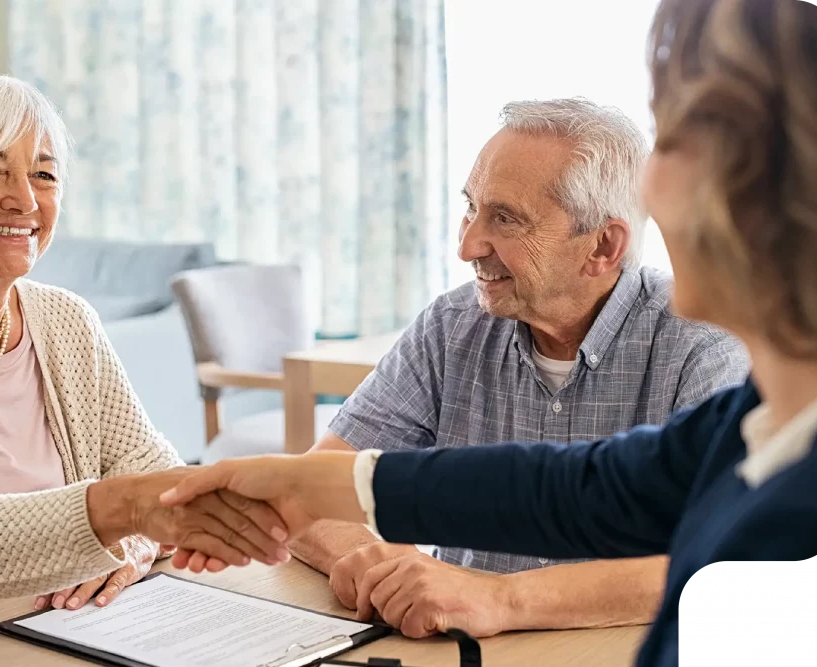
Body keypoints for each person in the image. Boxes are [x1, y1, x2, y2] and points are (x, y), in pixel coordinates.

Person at [157, 0, 817, 667]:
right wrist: (309, 489)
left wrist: (499, 597)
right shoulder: (755, 422)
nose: (466, 246)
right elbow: (571, 489)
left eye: (677, 138)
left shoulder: (801, 488)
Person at [0, 70, 291, 642]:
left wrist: (127, 547)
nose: (24, 200)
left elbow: (156, 480)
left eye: (43, 174)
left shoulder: (67, 321)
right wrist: (124, 512)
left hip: (64, 632)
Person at [267, 99, 749, 638]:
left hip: (621, 658)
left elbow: (718, 550)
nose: (467, 245)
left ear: (603, 246)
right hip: (455, 652)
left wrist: (502, 599)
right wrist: (376, 563)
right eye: (470, 207)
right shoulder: (451, 325)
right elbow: (312, 490)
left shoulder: (702, 343)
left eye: (505, 218)